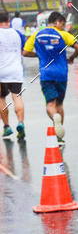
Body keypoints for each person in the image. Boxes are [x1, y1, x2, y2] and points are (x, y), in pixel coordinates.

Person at [23, 11, 78, 142]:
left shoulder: (36, 34)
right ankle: (59, 137)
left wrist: (38, 55)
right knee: (60, 104)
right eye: (62, 23)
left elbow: (25, 52)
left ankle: (55, 118)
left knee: (50, 104)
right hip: (61, 74)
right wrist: (71, 58)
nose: (62, 26)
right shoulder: (64, 34)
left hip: (46, 74)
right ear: (57, 22)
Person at [0, 11, 26, 140]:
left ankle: (7, 126)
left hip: (1, 72)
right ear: (8, 20)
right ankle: (21, 123)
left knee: (1, 99)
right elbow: (24, 50)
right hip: (16, 70)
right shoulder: (18, 34)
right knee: (17, 97)